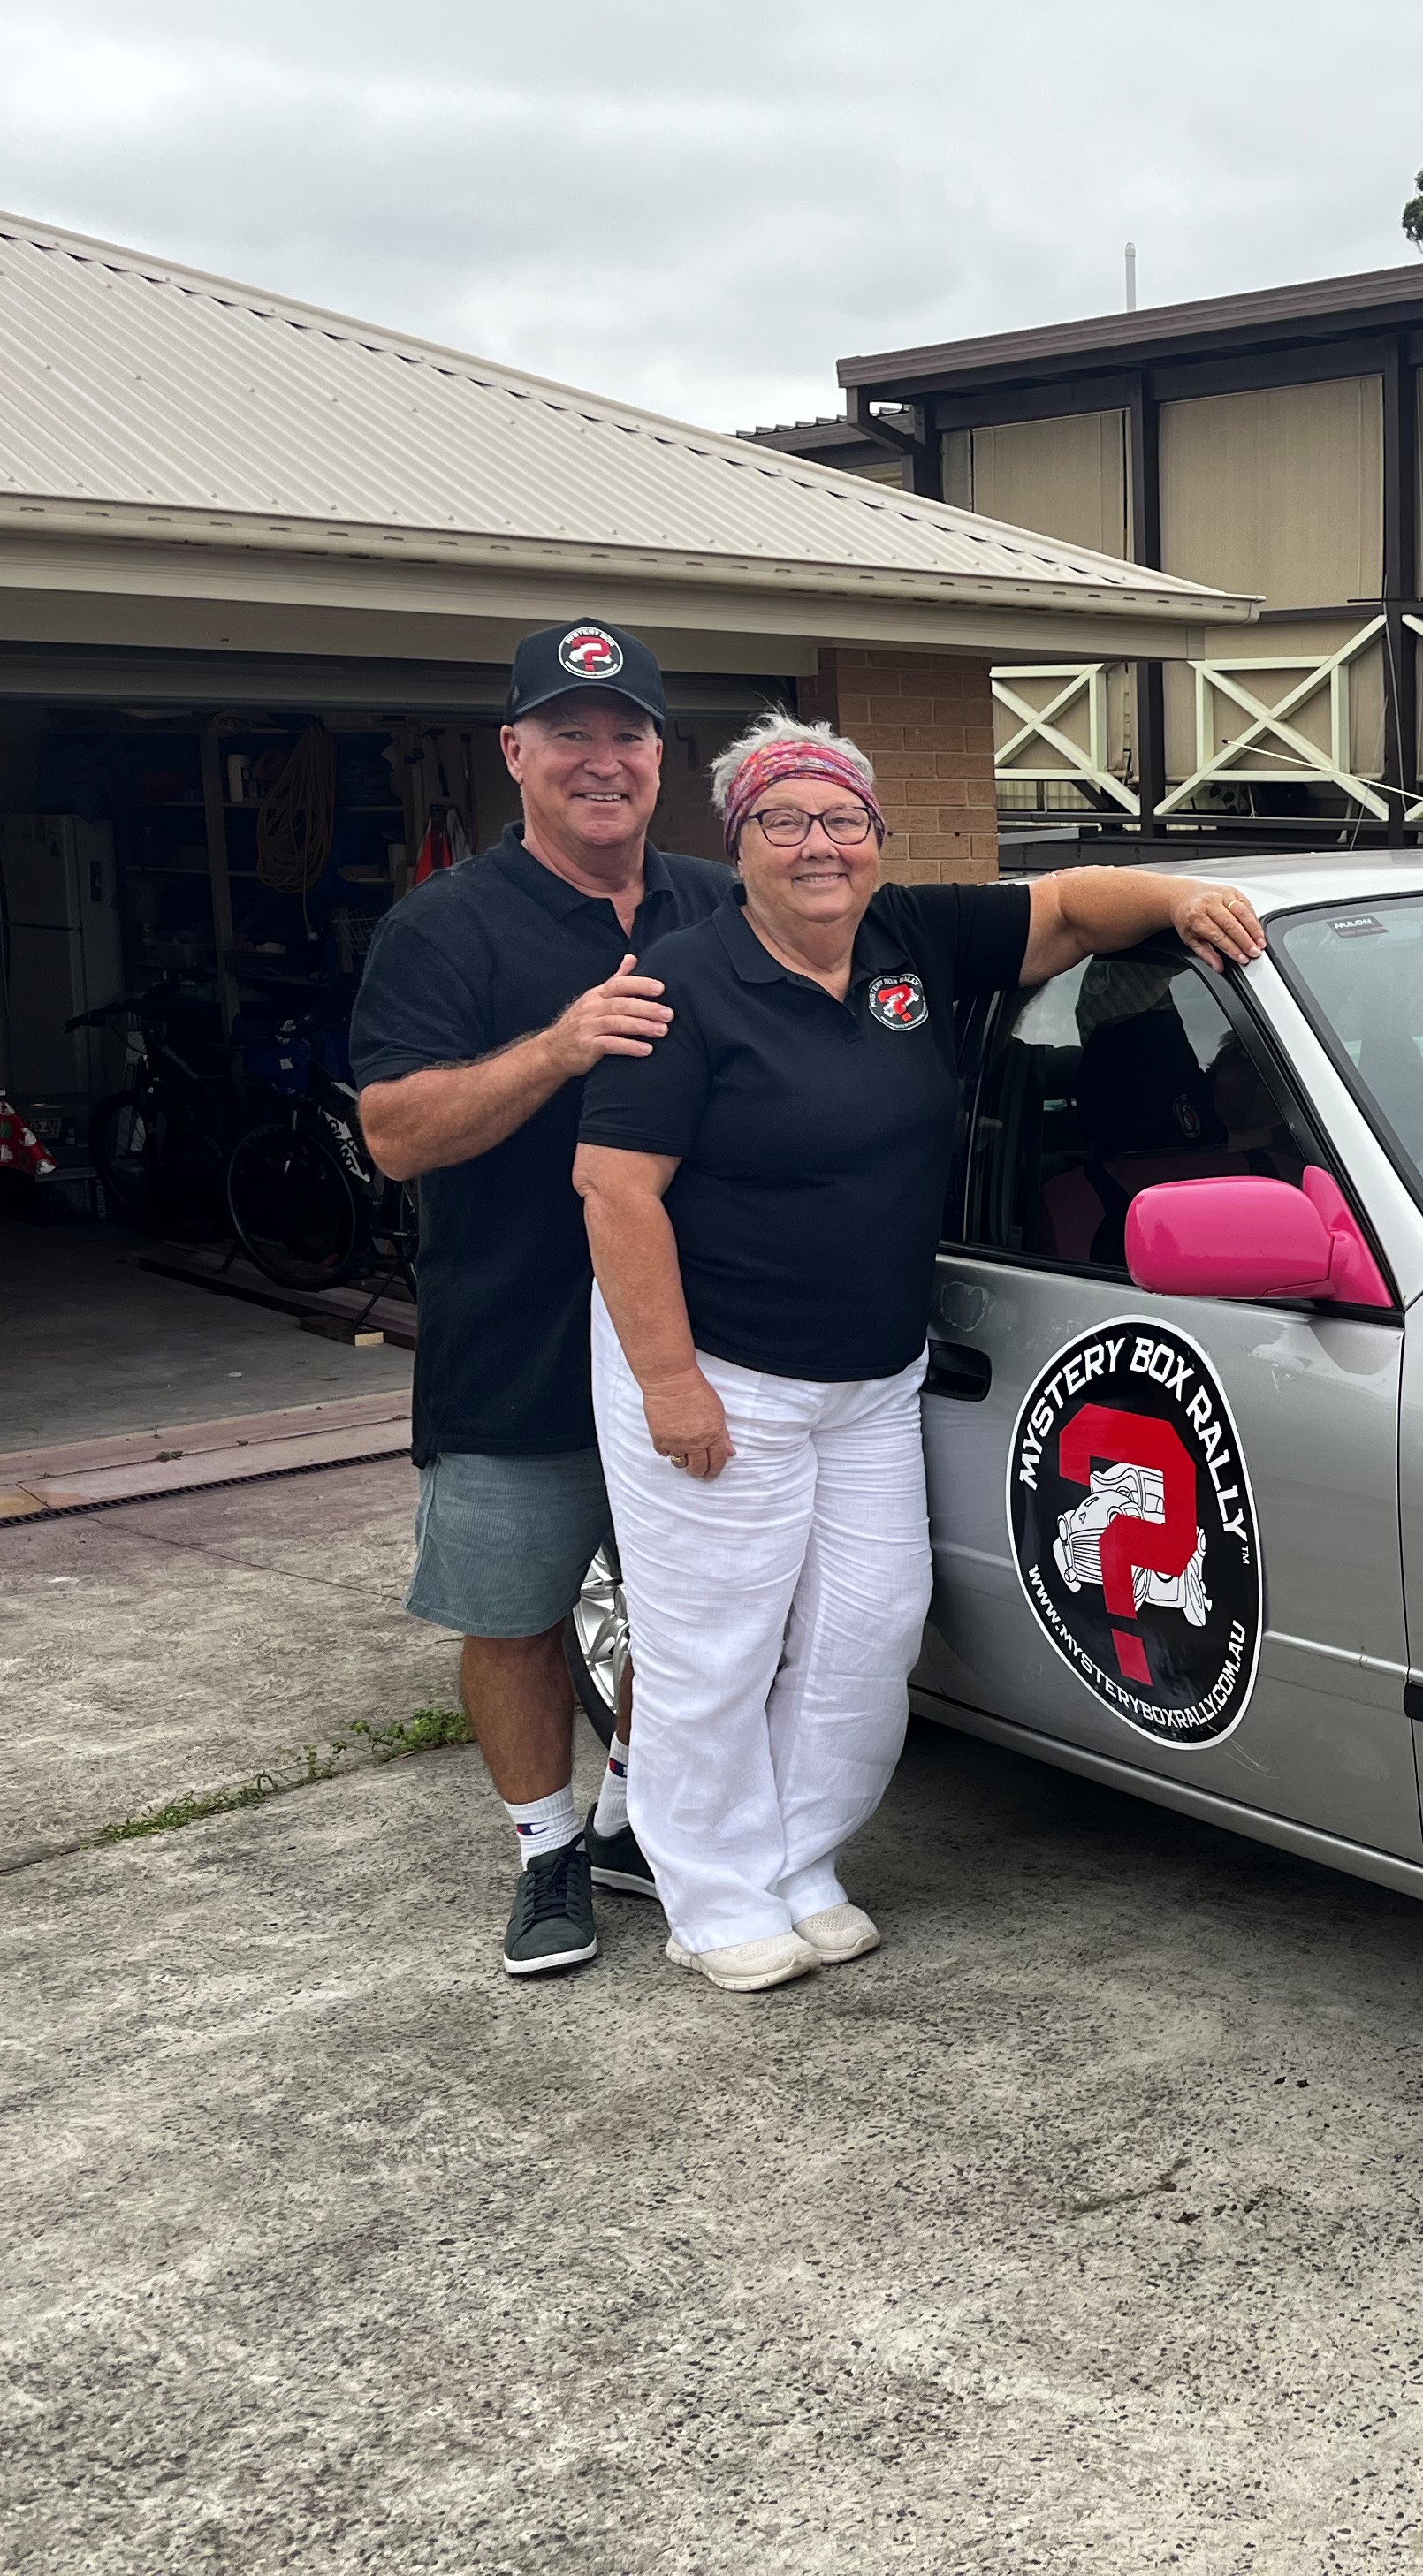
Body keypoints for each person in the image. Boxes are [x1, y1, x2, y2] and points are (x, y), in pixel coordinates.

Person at [571, 716, 1265, 1993]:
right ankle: (712, 1891)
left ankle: (800, 1859)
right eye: (784, 823)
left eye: (842, 820)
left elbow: (1070, 907)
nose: (818, 846)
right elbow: (615, 1190)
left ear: (878, 840)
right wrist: (671, 1383)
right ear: (742, 847)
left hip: (874, 1377)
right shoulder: (681, 985)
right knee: (715, 1646)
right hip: (719, 1371)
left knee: (870, 1627)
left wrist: (1179, 893)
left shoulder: (914, 938)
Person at [354, 619, 734, 1979]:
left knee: (685, 1606)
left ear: (659, 754)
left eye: (626, 731)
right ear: (513, 752)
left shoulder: (715, 902)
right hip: (516, 1338)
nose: (601, 758)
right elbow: (395, 1131)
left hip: (701, 1344)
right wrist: (560, 1045)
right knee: (514, 1612)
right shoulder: (446, 923)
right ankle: (547, 1850)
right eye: (567, 732)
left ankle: (636, 1816)